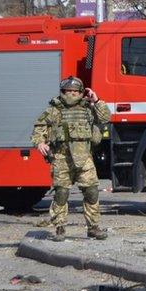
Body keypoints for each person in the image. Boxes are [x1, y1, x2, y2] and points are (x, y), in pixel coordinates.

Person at [31, 76, 111, 241]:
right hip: (62, 158)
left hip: (85, 158)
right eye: (68, 91)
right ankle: (59, 228)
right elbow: (39, 127)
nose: (72, 94)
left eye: (75, 91)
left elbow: (105, 118)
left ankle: (93, 227)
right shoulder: (54, 110)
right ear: (62, 92)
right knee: (61, 193)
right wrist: (40, 142)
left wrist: (96, 100)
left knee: (92, 192)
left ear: (81, 93)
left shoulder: (88, 108)